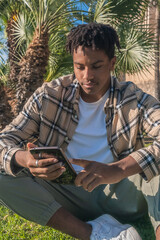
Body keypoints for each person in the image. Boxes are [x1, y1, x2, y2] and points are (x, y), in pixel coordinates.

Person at [0, 22, 160, 240]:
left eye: (97, 66)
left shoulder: (134, 99)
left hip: (123, 194)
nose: (87, 76)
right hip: (67, 192)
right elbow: (5, 140)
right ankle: (95, 233)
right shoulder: (49, 95)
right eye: (80, 67)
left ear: (112, 63)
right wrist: (26, 159)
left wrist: (119, 169)